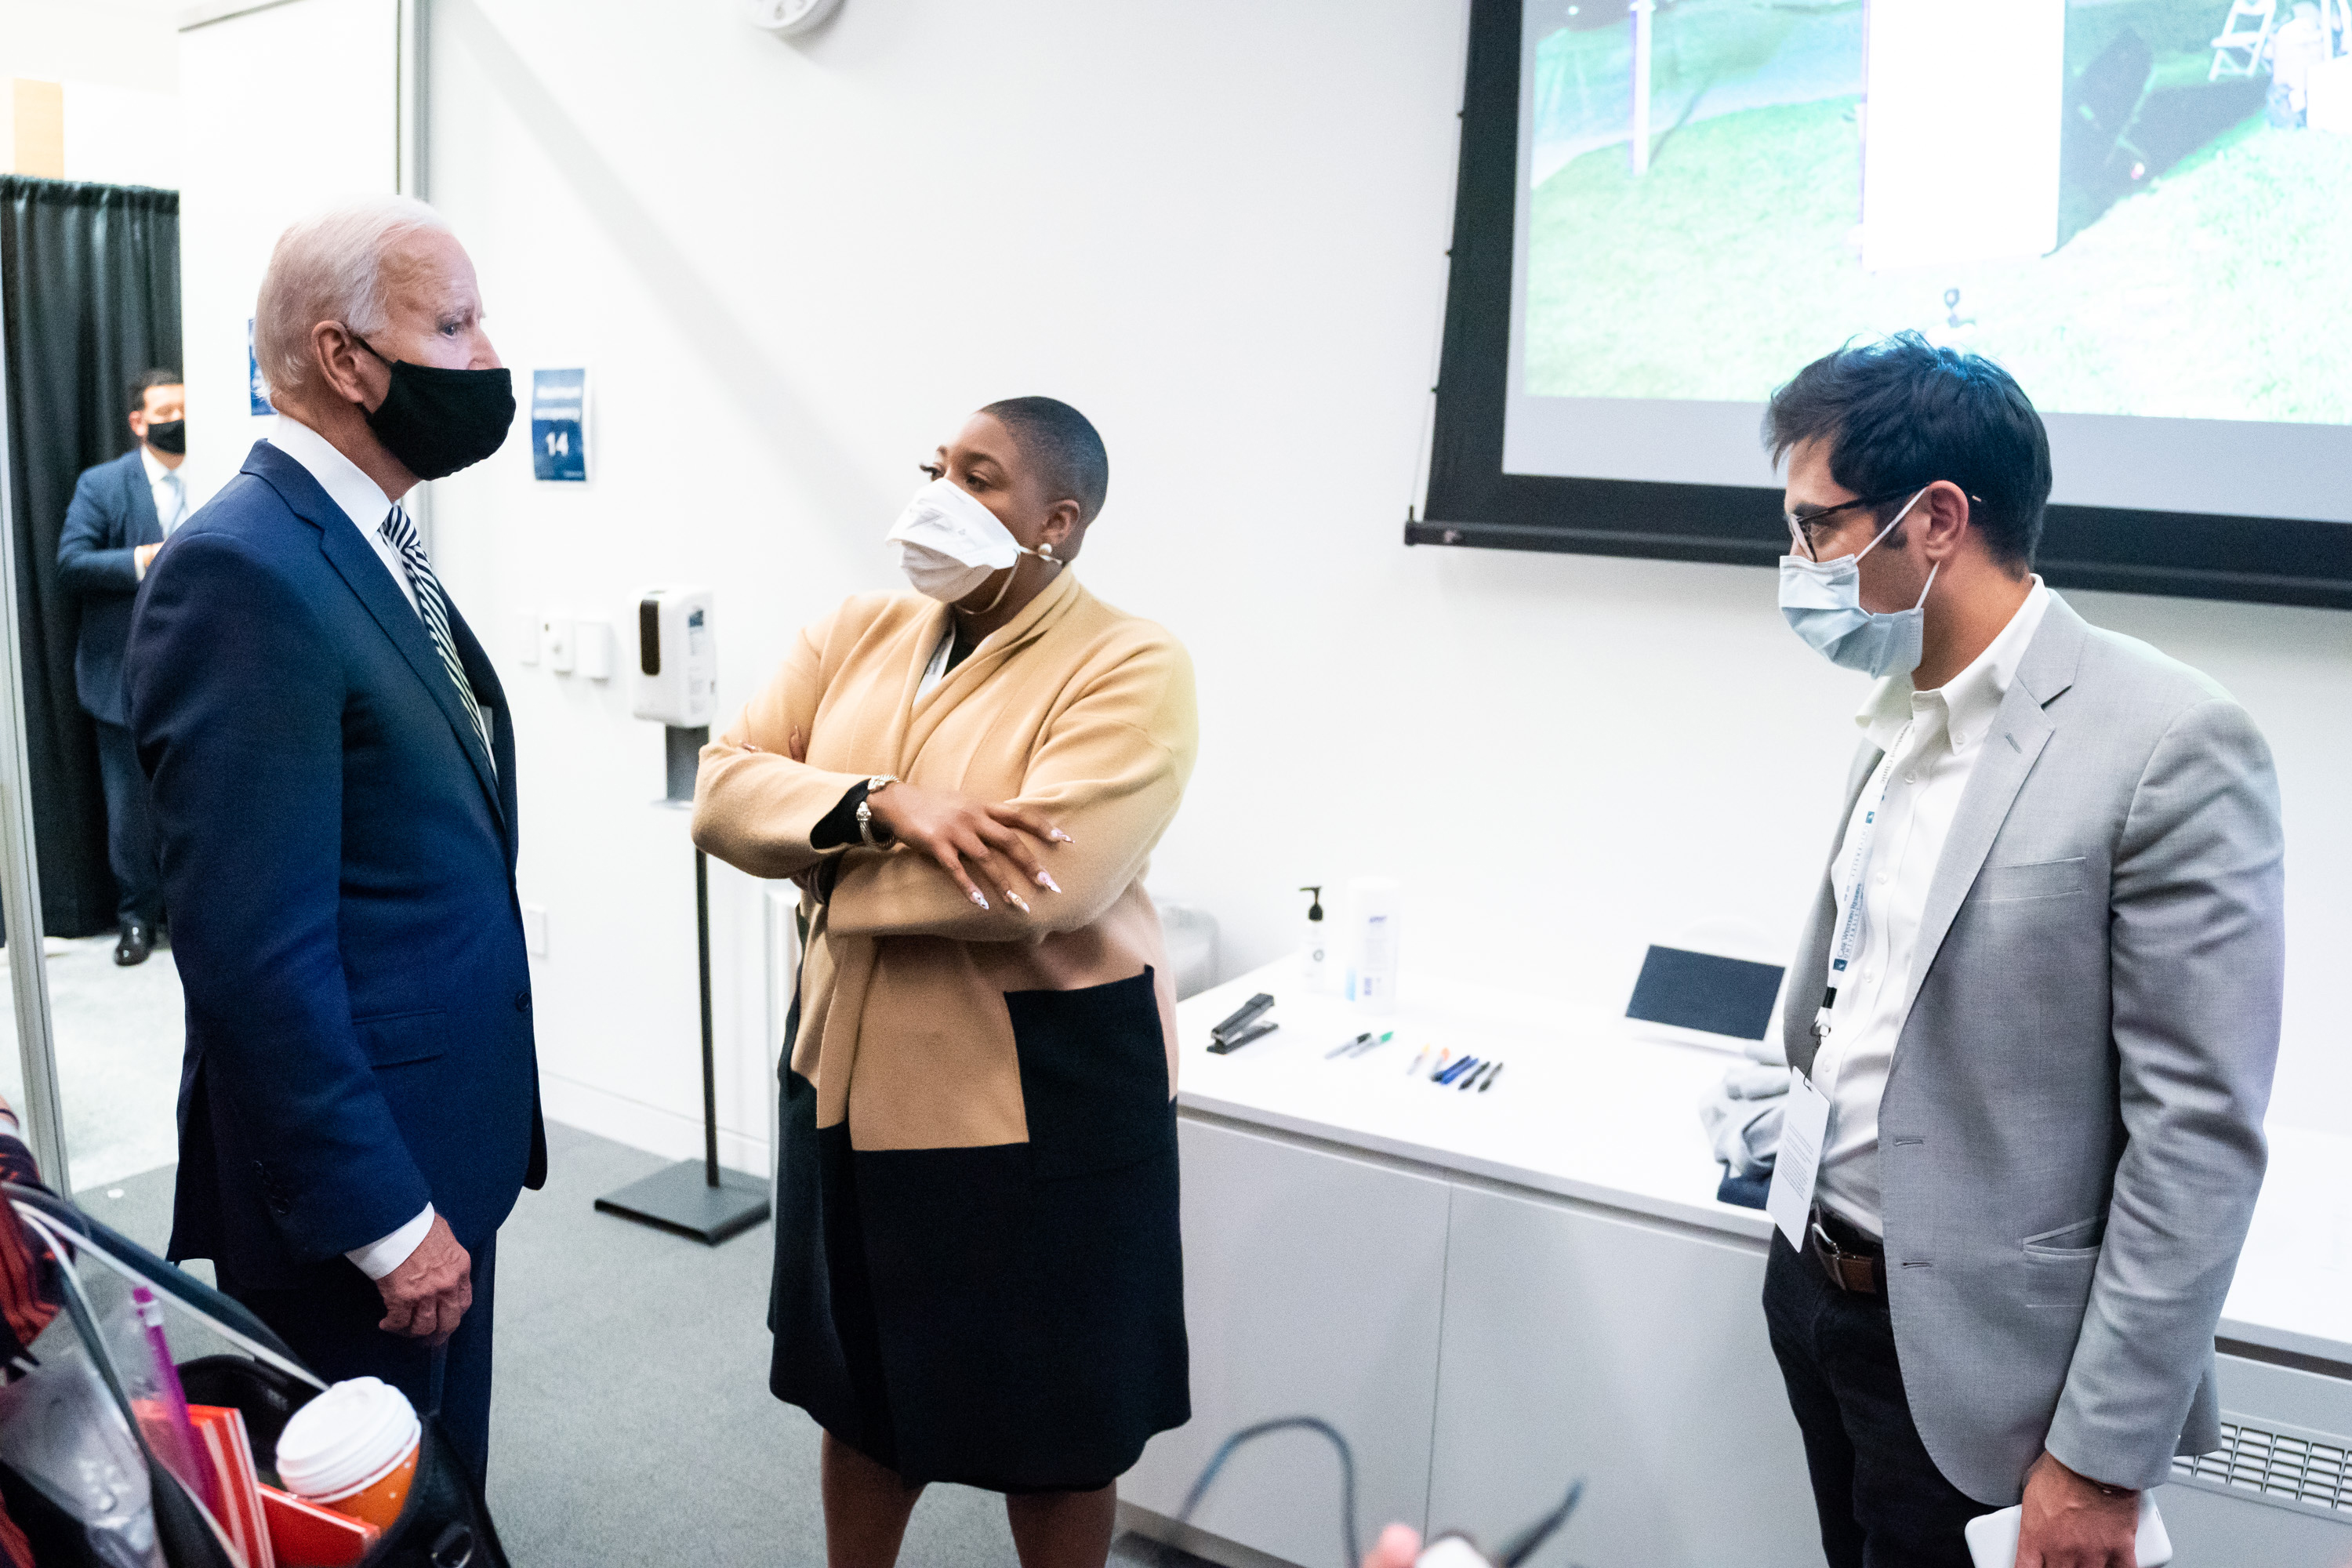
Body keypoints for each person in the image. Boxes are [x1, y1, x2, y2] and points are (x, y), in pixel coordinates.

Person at [1762, 333, 2283, 1566]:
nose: (1796, 567)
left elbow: (2197, 1135)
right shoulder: (1894, 718)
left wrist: (2102, 1459)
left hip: (1998, 1379)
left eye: (1817, 530)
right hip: (1819, 1293)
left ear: (1935, 519)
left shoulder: (2169, 741)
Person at [691, 397, 1197, 1568]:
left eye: (981, 478)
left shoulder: (1131, 663)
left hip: (1046, 1104)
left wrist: (820, 867)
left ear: (1059, 522)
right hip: (851, 1084)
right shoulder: (856, 633)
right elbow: (724, 791)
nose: (939, 496)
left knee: (1058, 1424)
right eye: (936, 468)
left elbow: (1040, 884)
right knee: (861, 1395)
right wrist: (877, 806)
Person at [124, 196, 542, 1489]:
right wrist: (383, 1218)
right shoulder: (244, 571)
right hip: (358, 1189)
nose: (486, 358)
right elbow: (253, 951)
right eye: (455, 325)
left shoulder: (367, 541)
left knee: (438, 1484)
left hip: (433, 1129)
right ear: (348, 358)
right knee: (366, 1507)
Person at [57, 369, 187, 965]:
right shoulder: (103, 485)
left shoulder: (219, 478)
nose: (177, 419)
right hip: (121, 674)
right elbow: (72, 563)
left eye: (185, 408)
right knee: (131, 810)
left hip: (203, 670)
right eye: (165, 410)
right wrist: (142, 558)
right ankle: (137, 918)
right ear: (139, 421)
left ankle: (194, 917)